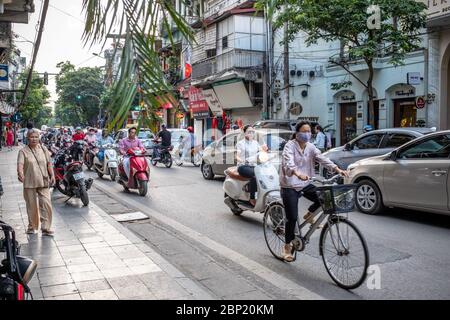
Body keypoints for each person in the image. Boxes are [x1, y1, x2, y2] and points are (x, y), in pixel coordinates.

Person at [279, 121, 348, 262]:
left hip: (305, 182)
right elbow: (288, 162)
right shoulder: (289, 146)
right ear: (297, 133)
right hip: (290, 185)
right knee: (291, 218)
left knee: (324, 198)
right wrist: (296, 173)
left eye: (309, 131)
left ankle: (309, 214)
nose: (307, 134)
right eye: (304, 131)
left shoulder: (311, 147)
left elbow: (322, 158)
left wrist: (337, 169)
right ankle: (286, 246)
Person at [17, 129, 55, 236]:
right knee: (31, 205)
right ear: (28, 138)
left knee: (46, 204)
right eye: (32, 137)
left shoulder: (43, 149)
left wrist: (52, 175)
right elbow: (20, 165)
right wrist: (20, 173)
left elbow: (49, 163)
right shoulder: (23, 151)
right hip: (29, 181)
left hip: (43, 180)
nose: (34, 139)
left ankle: (46, 228)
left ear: (39, 138)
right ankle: (32, 226)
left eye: (36, 137)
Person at [235, 125, 268, 207]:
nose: (251, 133)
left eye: (252, 132)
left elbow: (262, 151)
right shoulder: (240, 144)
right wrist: (241, 160)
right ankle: (252, 197)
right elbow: (236, 155)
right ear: (244, 132)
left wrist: (265, 150)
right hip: (243, 166)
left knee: (266, 175)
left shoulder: (255, 143)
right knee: (255, 175)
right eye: (249, 132)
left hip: (254, 165)